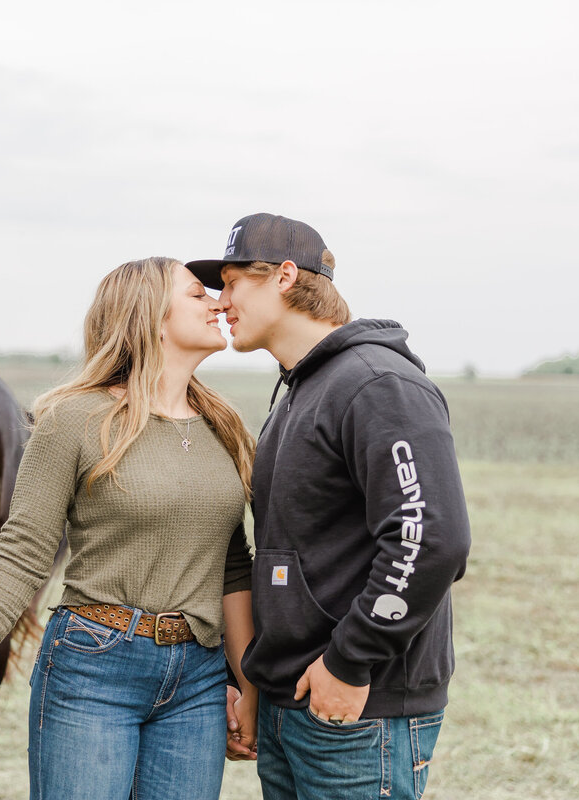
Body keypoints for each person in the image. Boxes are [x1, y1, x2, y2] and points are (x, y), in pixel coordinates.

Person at [0, 257, 257, 800]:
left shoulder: (224, 426)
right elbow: (20, 554)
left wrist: (246, 687)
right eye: (196, 294)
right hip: (94, 669)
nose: (217, 303)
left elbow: (231, 568)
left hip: (198, 682)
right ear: (151, 316)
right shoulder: (73, 420)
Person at [185, 213, 471, 800]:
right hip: (296, 702)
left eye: (234, 281)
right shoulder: (302, 389)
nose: (221, 300)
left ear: (285, 276)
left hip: (359, 707)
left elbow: (430, 538)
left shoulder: (376, 383)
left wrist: (349, 662)